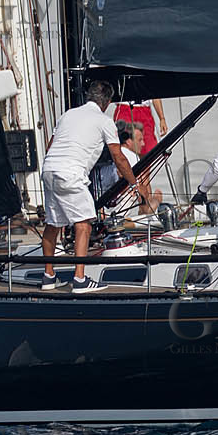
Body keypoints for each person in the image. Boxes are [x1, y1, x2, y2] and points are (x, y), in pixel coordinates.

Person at [39, 81, 134, 294]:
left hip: (49, 170)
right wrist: (133, 183)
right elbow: (118, 157)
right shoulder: (104, 121)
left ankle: (48, 277)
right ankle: (80, 279)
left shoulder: (68, 114)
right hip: (70, 173)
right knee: (83, 225)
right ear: (108, 102)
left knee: (53, 223)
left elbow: (51, 146)